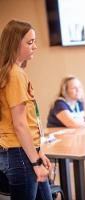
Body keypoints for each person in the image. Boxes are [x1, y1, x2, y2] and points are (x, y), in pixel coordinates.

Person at [0, 20, 52, 200]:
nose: (35, 47)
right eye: (30, 42)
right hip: (20, 154)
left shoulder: (15, 72)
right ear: (15, 44)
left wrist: (39, 152)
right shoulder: (15, 74)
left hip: (25, 152)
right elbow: (20, 124)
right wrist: (35, 161)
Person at [47, 76, 85, 199]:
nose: (78, 90)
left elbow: (81, 118)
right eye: (74, 88)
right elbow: (73, 123)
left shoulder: (78, 103)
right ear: (65, 90)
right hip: (58, 146)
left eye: (79, 87)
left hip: (74, 142)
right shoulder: (59, 103)